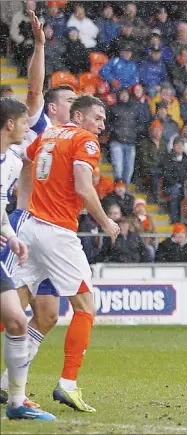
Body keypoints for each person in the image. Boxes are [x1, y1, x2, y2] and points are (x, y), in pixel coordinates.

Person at [10, 95, 120, 413]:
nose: (101, 125)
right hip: (57, 233)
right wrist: (107, 222)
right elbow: (85, 189)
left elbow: (28, 164)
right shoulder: (84, 141)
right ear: (79, 116)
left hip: (30, 227)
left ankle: (7, 385)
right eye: (97, 117)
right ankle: (68, 385)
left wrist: (24, 205)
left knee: (16, 310)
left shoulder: (48, 134)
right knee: (85, 307)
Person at [0, 13, 77, 408]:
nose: (71, 104)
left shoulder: (77, 142)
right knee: (12, 310)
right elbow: (33, 90)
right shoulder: (38, 127)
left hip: (55, 230)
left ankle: (6, 384)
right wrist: (41, 46)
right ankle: (16, 394)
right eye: (69, 100)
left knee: (46, 314)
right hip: (24, 226)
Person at [0, 96, 55, 421]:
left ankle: (16, 402)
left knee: (17, 320)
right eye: (23, 123)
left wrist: (12, 237)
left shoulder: (11, 162)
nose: (26, 128)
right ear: (10, 124)